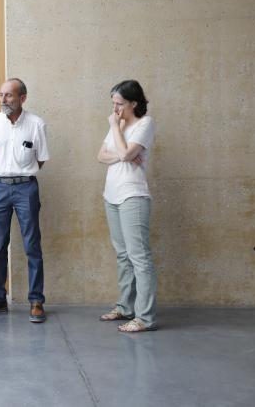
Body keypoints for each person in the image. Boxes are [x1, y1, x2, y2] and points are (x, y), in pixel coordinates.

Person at [0, 78, 49, 323]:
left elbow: (41, 159)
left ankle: (36, 300)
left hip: (25, 188)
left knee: (32, 245)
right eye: (1, 95)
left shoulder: (36, 124)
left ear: (22, 98)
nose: (3, 100)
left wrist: (21, 173)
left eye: (8, 95)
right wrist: (2, 174)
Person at [97, 79, 158, 332]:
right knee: (123, 256)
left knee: (139, 258)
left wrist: (116, 131)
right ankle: (125, 307)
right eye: (113, 103)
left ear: (134, 103)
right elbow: (101, 155)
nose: (115, 109)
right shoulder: (118, 124)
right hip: (111, 195)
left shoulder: (145, 124)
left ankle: (145, 318)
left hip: (133, 196)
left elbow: (123, 153)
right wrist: (123, 154)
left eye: (120, 103)